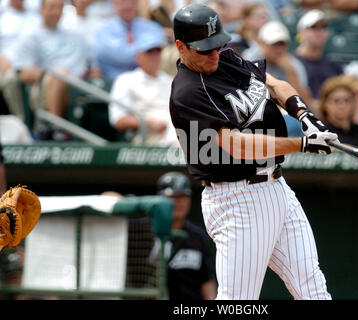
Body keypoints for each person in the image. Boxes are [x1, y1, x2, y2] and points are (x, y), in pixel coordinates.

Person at [170, 3, 338, 300]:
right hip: (237, 199)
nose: (214, 54)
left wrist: (304, 116)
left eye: (217, 46)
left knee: (313, 289)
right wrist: (302, 143)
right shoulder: (188, 92)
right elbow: (237, 144)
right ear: (181, 46)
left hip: (276, 187)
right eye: (205, 49)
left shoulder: (225, 58)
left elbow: (271, 84)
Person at [10, 0, 89, 123]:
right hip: (43, 88)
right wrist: (54, 75)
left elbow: (87, 67)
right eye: (52, 7)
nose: (56, 12)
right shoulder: (31, 36)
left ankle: (55, 127)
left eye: (59, 8)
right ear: (41, 9)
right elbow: (22, 73)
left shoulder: (76, 36)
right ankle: (54, 126)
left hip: (77, 85)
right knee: (59, 75)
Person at [108, 29, 177, 146]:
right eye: (149, 51)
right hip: (149, 137)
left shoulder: (172, 80)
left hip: (179, 132)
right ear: (138, 56)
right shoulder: (126, 80)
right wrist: (147, 122)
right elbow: (118, 119)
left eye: (157, 51)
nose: (154, 56)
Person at [155, 171, 217, 300]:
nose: (179, 202)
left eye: (183, 196)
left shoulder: (197, 235)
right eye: (173, 197)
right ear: (160, 200)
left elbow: (207, 279)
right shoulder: (145, 230)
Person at [94, 0, 165, 83]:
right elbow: (121, 56)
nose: (127, 6)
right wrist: (146, 50)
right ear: (114, 4)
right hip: (111, 84)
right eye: (122, 2)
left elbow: (157, 54)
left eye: (132, 2)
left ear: (137, 4)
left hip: (149, 84)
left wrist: (148, 52)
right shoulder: (103, 30)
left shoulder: (152, 27)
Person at [294, 9, 343, 112]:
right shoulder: (292, 64)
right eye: (314, 27)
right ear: (301, 32)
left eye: (323, 27)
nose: (320, 31)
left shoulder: (334, 64)